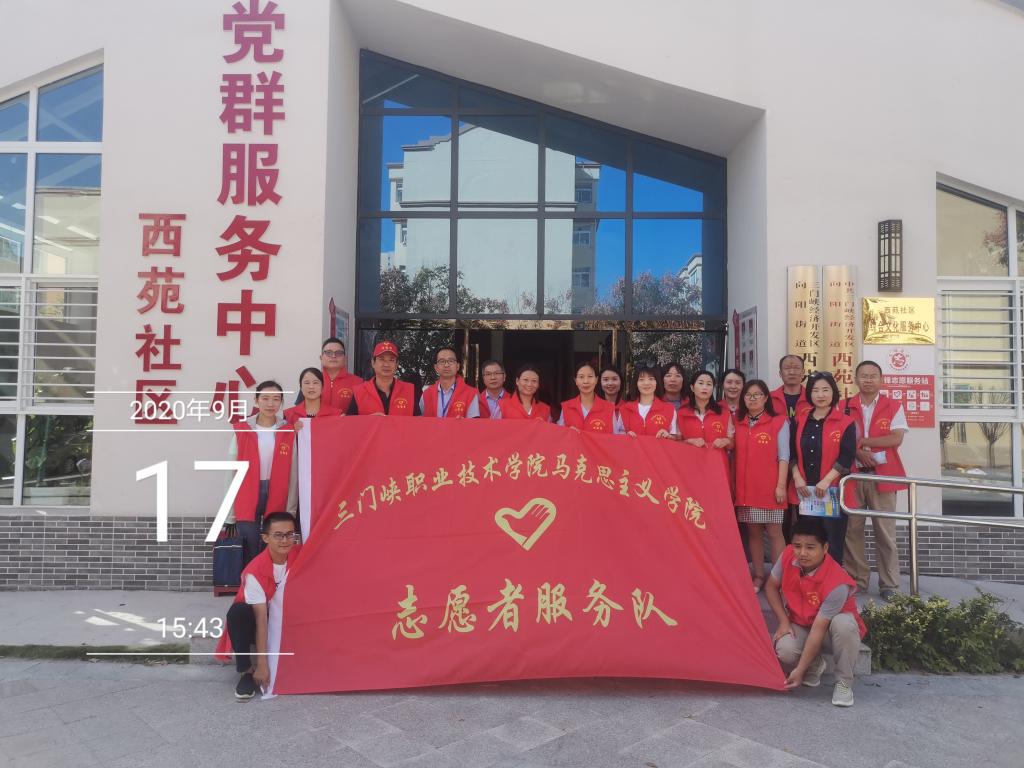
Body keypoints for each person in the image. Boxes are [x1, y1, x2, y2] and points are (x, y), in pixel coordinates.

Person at [764, 517, 866, 707]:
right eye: (797, 546)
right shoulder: (788, 555)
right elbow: (770, 587)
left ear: (825, 548)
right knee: (785, 651)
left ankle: (844, 683)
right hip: (802, 622)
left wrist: (799, 670)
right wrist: (783, 621)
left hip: (831, 632)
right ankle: (815, 664)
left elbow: (819, 629)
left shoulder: (837, 582)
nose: (802, 553)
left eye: (810, 547)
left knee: (844, 624)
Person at [216, 511, 301, 700]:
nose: (285, 540)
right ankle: (246, 671)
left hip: (288, 618)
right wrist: (262, 664)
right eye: (278, 535)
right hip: (260, 620)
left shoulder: (299, 556)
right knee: (238, 613)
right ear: (265, 538)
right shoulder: (255, 571)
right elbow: (261, 619)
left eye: (290, 534)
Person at [843, 360, 908, 599]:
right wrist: (857, 452)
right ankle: (856, 580)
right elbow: (838, 438)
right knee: (852, 531)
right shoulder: (844, 406)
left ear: (881, 379)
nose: (868, 380)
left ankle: (889, 585)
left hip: (884, 476)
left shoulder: (893, 405)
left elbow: (895, 438)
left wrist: (862, 443)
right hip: (853, 476)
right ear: (855, 379)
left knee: (885, 533)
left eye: (873, 376)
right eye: (864, 375)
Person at [790, 372, 856, 563]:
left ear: (833, 392)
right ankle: (809, 577)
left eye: (825, 390)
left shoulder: (845, 422)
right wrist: (797, 477)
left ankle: (831, 578)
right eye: (816, 390)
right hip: (806, 492)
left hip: (832, 492)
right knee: (808, 540)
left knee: (832, 541)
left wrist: (826, 481)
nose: (820, 395)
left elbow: (847, 456)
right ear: (809, 394)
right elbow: (791, 452)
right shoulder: (800, 420)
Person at [227, 381, 294, 567]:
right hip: (247, 491)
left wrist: (291, 508)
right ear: (256, 400)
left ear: (281, 402)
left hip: (277, 492)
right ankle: (249, 582)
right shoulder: (242, 429)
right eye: (265, 398)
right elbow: (230, 471)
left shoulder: (288, 431)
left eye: (276, 399)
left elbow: (293, 472)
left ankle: (270, 581)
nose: (270, 404)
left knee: (273, 546)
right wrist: (230, 514)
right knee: (249, 547)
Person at [734, 379, 790, 592]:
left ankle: (778, 580)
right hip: (746, 489)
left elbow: (784, 456)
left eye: (757, 395)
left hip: (771, 488)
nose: (752, 398)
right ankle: (758, 576)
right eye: (748, 395)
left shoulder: (779, 422)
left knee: (775, 533)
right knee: (754, 533)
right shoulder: (738, 422)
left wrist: (781, 485)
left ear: (766, 398)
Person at [677, 370, 734, 473]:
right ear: (692, 387)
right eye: (701, 383)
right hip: (690, 466)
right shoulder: (682, 413)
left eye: (709, 384)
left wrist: (725, 441)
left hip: (717, 467)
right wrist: (689, 442)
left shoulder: (723, 412)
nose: (705, 387)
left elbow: (732, 443)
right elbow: (676, 442)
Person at [348, 341, 419, 416]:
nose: (386, 364)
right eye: (381, 359)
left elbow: (418, 421)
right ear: (373, 363)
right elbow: (350, 422)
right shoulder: (359, 392)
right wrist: (368, 420)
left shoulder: (409, 391)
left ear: (396, 365)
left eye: (391, 360)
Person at [301, 337, 363, 412]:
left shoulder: (358, 383)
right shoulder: (310, 380)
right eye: (329, 353)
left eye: (338, 353)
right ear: (321, 358)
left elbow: (362, 413)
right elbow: (300, 410)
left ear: (345, 358)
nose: (333, 356)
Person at [419, 346, 480, 418]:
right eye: (442, 361)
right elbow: (420, 420)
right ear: (436, 367)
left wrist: (465, 423)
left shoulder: (471, 393)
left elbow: (474, 423)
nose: (446, 365)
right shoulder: (426, 394)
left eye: (451, 361)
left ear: (458, 366)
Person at [558, 362, 619, 433]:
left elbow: (616, 437)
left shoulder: (609, 409)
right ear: (576, 381)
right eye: (581, 377)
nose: (586, 381)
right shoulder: (566, 407)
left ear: (596, 380)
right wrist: (568, 432)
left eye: (590, 376)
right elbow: (559, 436)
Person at [619, 364, 676, 438]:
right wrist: (625, 436)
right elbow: (618, 437)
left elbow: (676, 438)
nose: (646, 383)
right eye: (641, 379)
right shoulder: (625, 409)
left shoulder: (669, 409)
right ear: (636, 383)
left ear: (657, 382)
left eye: (651, 379)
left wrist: (669, 436)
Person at [771, 355, 811, 423]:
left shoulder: (812, 398)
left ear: (803, 373)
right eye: (787, 368)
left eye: (796, 368)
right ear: (780, 373)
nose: (792, 372)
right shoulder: (769, 398)